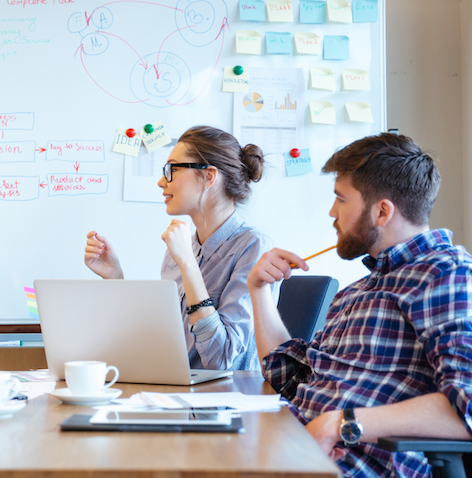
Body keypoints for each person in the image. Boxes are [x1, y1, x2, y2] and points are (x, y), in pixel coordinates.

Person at [247, 133, 472, 478]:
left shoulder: (446, 274)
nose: (332, 212)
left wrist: (344, 423)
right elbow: (288, 377)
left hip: (350, 466)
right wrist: (259, 289)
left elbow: (467, 403)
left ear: (382, 211)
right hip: (293, 450)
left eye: (340, 199)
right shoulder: (358, 292)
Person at [83, 126, 275, 371]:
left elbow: (222, 359)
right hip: (175, 393)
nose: (162, 181)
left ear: (209, 177)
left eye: (172, 169)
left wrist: (187, 262)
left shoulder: (254, 247)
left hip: (223, 402)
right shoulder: (184, 245)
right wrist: (116, 278)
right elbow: (160, 343)